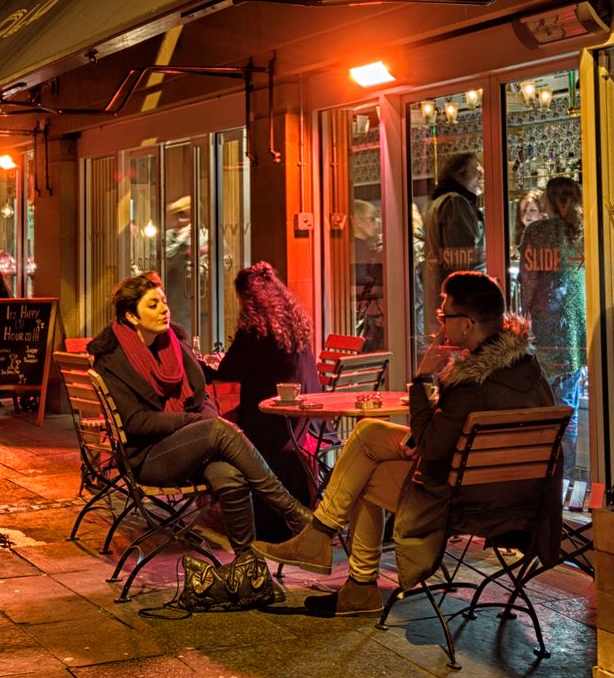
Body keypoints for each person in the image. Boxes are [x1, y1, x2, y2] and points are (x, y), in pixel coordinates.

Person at [259, 270, 556, 616]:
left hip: (463, 500)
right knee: (369, 432)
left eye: (446, 316)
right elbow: (451, 434)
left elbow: (431, 448)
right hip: (516, 493)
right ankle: (322, 540)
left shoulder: (471, 385)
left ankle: (355, 581)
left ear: (469, 324)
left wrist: (420, 380)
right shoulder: (527, 366)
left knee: (365, 477)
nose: (440, 325)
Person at [88, 273, 312, 569]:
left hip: (189, 448)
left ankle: (248, 567)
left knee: (230, 475)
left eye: (164, 302)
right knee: (218, 429)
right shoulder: (112, 359)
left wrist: (200, 423)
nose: (164, 309)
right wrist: (196, 424)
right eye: (153, 305)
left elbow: (203, 399)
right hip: (147, 457)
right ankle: (296, 514)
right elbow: (136, 423)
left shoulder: (176, 346)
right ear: (131, 315)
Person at [210, 262, 320, 542]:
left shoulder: (255, 328)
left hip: (267, 419)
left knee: (224, 431)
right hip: (306, 418)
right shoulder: (296, 323)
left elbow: (229, 371)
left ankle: (245, 513)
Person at [518, 177, 587, 488]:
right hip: (575, 338)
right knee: (568, 415)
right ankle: (566, 481)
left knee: (541, 414)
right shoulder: (585, 233)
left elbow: (528, 284)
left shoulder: (536, 232)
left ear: (546, 200)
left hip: (543, 336)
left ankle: (542, 481)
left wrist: (523, 322)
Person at [421, 153, 482, 317]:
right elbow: (462, 257)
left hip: (442, 295)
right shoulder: (456, 203)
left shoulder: (438, 202)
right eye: (475, 168)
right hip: (459, 302)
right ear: (459, 173)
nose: (480, 173)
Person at [351, 199, 385, 342]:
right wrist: (378, 281)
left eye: (376, 219)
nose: (376, 223)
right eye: (372, 219)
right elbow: (359, 276)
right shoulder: (359, 247)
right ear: (358, 222)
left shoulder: (360, 245)